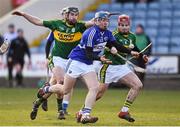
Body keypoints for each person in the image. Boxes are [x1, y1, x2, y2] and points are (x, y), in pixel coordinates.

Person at [39, 11, 139, 124]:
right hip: (77, 62)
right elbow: (88, 53)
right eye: (102, 20)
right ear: (95, 21)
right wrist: (100, 58)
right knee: (65, 90)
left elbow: (116, 45)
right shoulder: (91, 33)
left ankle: (85, 115)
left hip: (88, 64)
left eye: (106, 20)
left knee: (94, 88)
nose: (105, 22)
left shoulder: (107, 33)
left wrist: (131, 52)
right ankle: (46, 89)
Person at [12, 6, 94, 120]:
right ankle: (60, 110)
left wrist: (101, 18)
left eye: (76, 15)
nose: (74, 17)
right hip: (57, 58)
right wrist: (23, 14)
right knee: (60, 82)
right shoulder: (56, 24)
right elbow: (38, 22)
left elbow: (92, 22)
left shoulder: (80, 26)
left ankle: (37, 102)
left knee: (56, 84)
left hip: (71, 60)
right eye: (72, 15)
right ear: (66, 15)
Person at [76, 14, 149, 123]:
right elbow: (106, 44)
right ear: (118, 25)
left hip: (122, 67)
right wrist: (111, 48)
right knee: (99, 94)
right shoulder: (112, 34)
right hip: (108, 67)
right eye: (121, 25)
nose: (124, 27)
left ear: (129, 25)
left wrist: (141, 55)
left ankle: (124, 111)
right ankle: (82, 112)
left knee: (137, 85)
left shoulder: (132, 36)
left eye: (126, 25)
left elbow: (135, 48)